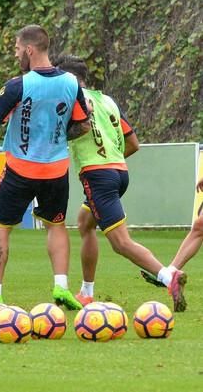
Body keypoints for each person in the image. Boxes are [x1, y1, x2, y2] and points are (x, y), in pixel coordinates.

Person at [0, 25, 91, 311]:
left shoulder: (18, 85)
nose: (16, 53)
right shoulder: (70, 83)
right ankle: (62, 286)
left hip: (20, 169)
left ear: (29, 50)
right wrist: (56, 136)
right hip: (55, 169)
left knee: (0, 228)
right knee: (55, 225)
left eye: (17, 48)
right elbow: (83, 124)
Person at [53, 54, 187, 312]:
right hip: (119, 172)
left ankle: (168, 277)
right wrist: (110, 160)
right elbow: (133, 143)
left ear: (67, 79)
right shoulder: (107, 100)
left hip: (98, 176)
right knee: (85, 223)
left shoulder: (72, 99)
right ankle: (86, 293)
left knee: (120, 243)